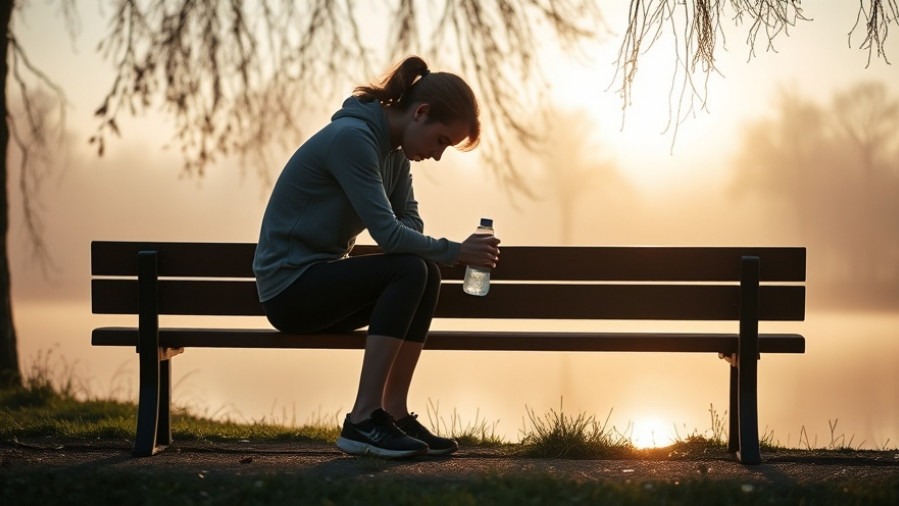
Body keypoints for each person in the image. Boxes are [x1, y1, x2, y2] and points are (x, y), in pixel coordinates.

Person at [253, 56, 501, 458]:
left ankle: (394, 413)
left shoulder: (395, 153)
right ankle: (363, 420)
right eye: (441, 141)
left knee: (424, 273)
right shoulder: (353, 140)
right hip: (290, 291)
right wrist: (456, 252)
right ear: (420, 113)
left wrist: (422, 246)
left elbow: (410, 226)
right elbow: (389, 234)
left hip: (318, 283)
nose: (438, 155)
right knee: (409, 269)